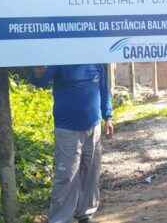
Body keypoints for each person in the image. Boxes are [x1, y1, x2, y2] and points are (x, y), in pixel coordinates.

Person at [30, 64, 114, 223]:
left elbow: (103, 89)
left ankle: (85, 214)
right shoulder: (62, 56)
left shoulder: (95, 59)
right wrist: (38, 70)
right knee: (67, 175)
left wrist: (108, 116)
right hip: (67, 129)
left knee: (91, 173)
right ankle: (59, 219)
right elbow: (40, 81)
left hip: (93, 126)